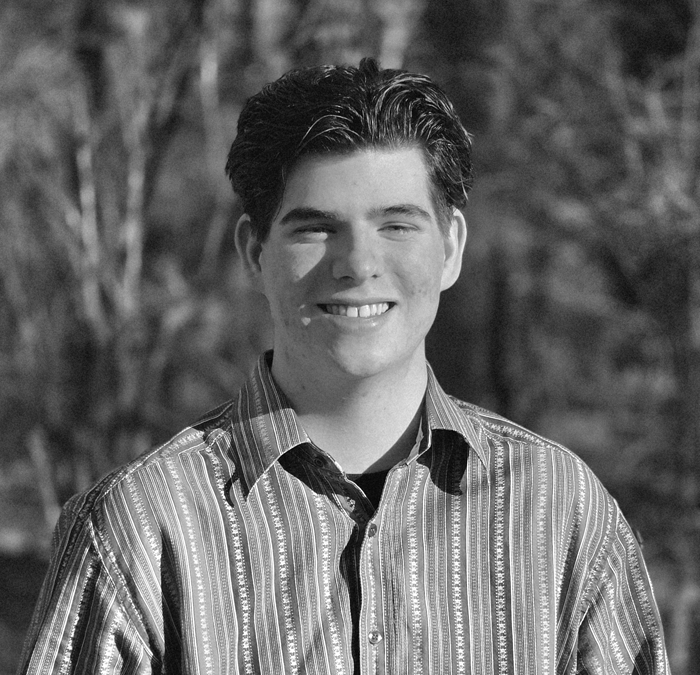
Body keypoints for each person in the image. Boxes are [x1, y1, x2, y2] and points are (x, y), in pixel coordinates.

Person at [18, 58, 669, 674]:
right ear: (254, 252)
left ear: (451, 247)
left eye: (396, 225)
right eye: (315, 228)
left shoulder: (561, 513)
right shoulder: (139, 528)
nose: (358, 264)